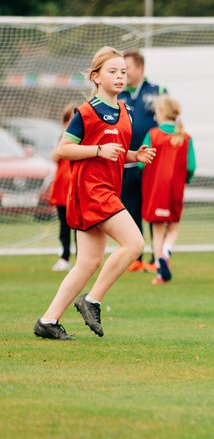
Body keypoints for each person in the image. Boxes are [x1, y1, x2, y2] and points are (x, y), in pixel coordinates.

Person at [34, 46, 156, 340]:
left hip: (105, 191)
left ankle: (48, 321)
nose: (119, 76)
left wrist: (133, 156)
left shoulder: (125, 110)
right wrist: (98, 150)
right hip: (91, 193)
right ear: (96, 77)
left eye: (123, 72)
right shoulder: (86, 113)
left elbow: (113, 153)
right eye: (112, 71)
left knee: (88, 263)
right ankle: (92, 300)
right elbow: (64, 149)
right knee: (135, 243)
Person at [118, 49, 166, 273]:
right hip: (126, 162)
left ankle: (158, 258)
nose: (123, 74)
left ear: (140, 68)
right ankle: (135, 257)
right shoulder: (118, 93)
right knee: (130, 208)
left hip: (151, 162)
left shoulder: (157, 91)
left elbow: (170, 121)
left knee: (153, 209)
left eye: (127, 69)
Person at [141, 96, 196, 285]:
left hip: (155, 190)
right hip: (175, 190)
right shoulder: (185, 137)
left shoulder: (153, 134)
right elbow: (191, 166)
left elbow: (142, 162)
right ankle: (166, 253)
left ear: (162, 113)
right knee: (173, 227)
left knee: (157, 232)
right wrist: (185, 179)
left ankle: (159, 271)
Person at [50, 103, 78, 272]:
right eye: (69, 121)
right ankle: (64, 257)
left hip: (76, 189)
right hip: (62, 190)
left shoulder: (83, 139)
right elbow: (55, 157)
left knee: (80, 228)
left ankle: (81, 259)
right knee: (64, 227)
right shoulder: (62, 139)